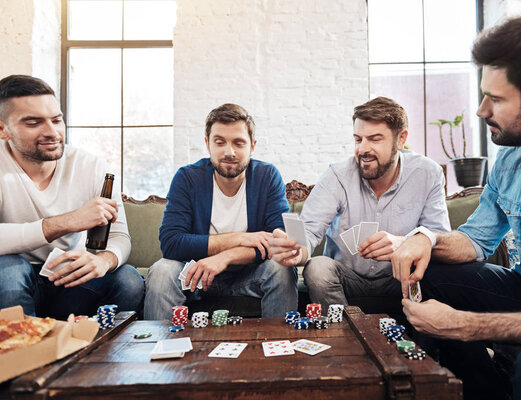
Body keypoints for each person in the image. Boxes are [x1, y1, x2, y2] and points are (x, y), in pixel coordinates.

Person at [391, 10, 521, 400]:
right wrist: (427, 240)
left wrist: (465, 325)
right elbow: (477, 239)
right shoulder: (516, 153)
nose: (481, 110)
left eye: (496, 98)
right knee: (430, 272)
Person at [270, 97, 450, 310]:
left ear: (401, 139)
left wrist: (406, 242)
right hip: (347, 278)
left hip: (399, 277)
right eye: (358, 139)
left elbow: (437, 237)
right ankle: (345, 334)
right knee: (317, 267)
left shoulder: (427, 174)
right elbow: (309, 231)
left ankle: (423, 340)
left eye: (374, 139)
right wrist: (298, 251)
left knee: (438, 271)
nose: (363, 149)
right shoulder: (337, 175)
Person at [0, 74, 144, 320]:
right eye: (34, 123)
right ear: (3, 129)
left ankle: (93, 353)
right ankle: (26, 351)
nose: (52, 132)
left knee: (129, 280)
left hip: (69, 279)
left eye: (56, 120)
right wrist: (66, 222)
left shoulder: (91, 166)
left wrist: (104, 261)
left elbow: (119, 236)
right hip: (11, 281)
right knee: (9, 269)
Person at [144, 103, 297, 319]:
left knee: (281, 269)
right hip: (196, 276)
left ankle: (278, 348)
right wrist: (239, 238)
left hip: (248, 276)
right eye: (220, 142)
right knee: (162, 271)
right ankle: (159, 349)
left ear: (252, 146)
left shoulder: (267, 176)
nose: (229, 152)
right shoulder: (187, 178)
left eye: (238, 143)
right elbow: (171, 242)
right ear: (208, 145)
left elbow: (278, 242)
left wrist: (226, 256)